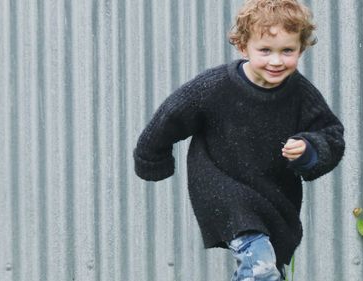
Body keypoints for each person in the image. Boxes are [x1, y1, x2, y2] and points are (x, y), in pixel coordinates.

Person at [133, 0, 345, 280]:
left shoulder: (301, 94)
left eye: (287, 51)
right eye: (265, 50)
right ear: (243, 47)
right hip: (221, 185)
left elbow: (331, 135)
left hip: (273, 193)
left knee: (267, 266)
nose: (276, 61)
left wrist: (309, 148)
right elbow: (170, 116)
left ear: (301, 49)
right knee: (260, 267)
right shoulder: (213, 87)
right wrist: (151, 159)